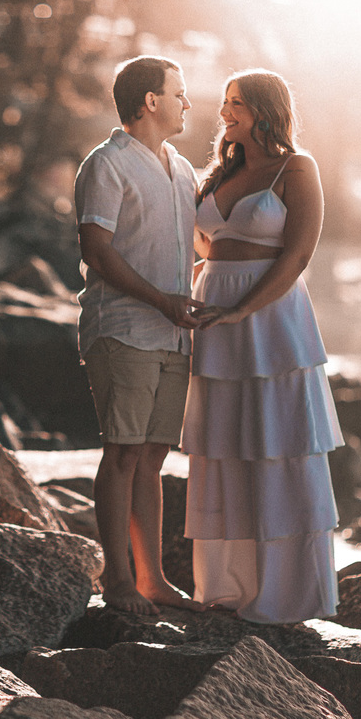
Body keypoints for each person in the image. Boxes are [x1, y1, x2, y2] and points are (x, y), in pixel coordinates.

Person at [181, 68, 343, 623]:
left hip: (272, 320)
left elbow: (297, 256)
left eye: (238, 105)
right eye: (226, 102)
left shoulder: (296, 168)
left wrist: (246, 308)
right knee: (224, 448)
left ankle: (286, 595)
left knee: (279, 445)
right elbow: (204, 248)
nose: (225, 113)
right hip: (214, 321)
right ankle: (227, 589)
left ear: (267, 111)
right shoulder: (218, 174)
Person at [74, 55, 205, 615]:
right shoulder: (106, 165)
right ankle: (118, 581)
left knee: (152, 455)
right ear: (151, 101)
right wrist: (160, 300)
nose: (187, 103)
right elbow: (95, 250)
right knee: (123, 452)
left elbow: (196, 247)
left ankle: (152, 579)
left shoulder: (182, 168)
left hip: (173, 336)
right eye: (179, 93)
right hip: (123, 328)